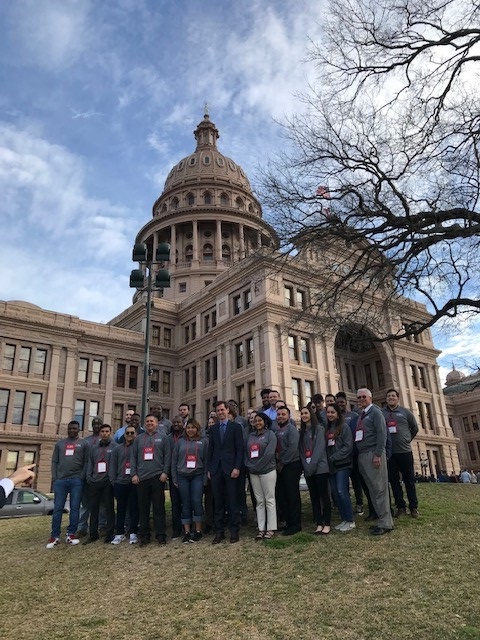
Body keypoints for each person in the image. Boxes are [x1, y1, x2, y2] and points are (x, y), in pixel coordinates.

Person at [355, 388, 393, 536]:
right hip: (362, 454)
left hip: (373, 454)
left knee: (380, 489)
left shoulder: (376, 413)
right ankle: (380, 520)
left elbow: (382, 434)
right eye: (359, 397)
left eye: (364, 397)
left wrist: (378, 454)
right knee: (372, 489)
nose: (361, 399)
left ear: (370, 398)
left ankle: (386, 523)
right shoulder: (362, 415)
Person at [46, 420, 88, 548]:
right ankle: (55, 536)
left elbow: (86, 462)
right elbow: (54, 461)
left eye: (74, 428)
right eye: (70, 428)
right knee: (58, 508)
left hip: (76, 480)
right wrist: (55, 477)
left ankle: (71, 535)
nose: (72, 430)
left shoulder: (83, 443)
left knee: (75, 508)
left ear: (78, 429)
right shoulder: (60, 444)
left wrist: (81, 476)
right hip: (61, 481)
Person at [131, 414, 171, 546]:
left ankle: (161, 535)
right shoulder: (138, 439)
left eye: (151, 421)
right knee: (143, 509)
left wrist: (165, 472)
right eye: (147, 421)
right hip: (141, 478)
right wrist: (134, 474)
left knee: (159, 508)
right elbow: (133, 458)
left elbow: (167, 457)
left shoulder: (163, 438)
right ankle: (145, 536)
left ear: (157, 423)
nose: (149, 423)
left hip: (157, 477)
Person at [208, 400, 244, 544]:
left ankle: (234, 532)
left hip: (231, 469)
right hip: (216, 469)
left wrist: (237, 467)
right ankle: (219, 532)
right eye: (218, 411)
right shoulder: (214, 429)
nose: (220, 412)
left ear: (228, 410)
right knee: (218, 501)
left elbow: (239, 449)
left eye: (222, 410)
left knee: (232, 501)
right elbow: (211, 450)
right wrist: (210, 469)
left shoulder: (236, 427)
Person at [382, 389, 420, 518]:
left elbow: (414, 428)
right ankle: (401, 507)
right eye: (388, 396)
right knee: (394, 481)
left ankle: (413, 507)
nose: (391, 398)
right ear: (386, 398)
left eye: (393, 396)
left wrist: (407, 439)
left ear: (398, 398)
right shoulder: (382, 413)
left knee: (409, 480)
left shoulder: (405, 412)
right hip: (390, 453)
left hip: (405, 451)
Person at [171, 418, 208, 543]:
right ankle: (187, 531)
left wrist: (204, 479)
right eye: (188, 428)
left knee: (197, 501)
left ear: (197, 428)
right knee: (185, 503)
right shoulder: (179, 442)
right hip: (182, 476)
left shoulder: (203, 441)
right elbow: (174, 461)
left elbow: (206, 461)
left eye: (193, 427)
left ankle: (198, 530)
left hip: (197, 475)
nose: (190, 430)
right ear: (185, 429)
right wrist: (175, 478)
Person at [298, 406, 331, 535]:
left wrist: (311, 466)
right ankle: (318, 523)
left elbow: (319, 449)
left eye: (306, 413)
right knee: (314, 498)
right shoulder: (301, 432)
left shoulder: (319, 429)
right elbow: (301, 451)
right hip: (308, 470)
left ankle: (327, 523)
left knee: (324, 496)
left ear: (311, 414)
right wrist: (306, 467)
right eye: (302, 414)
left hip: (320, 468)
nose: (304, 415)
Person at [245, 412, 278, 540]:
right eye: (255, 421)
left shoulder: (270, 435)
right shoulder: (250, 436)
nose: (257, 423)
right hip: (253, 472)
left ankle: (270, 528)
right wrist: (249, 466)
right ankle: (261, 528)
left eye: (260, 421)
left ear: (265, 422)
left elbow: (269, 454)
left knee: (269, 499)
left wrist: (257, 466)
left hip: (267, 471)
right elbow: (246, 453)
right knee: (259, 501)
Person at [83, 424, 117, 544]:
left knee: (109, 508)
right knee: (94, 509)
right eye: (102, 431)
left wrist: (112, 479)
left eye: (107, 431)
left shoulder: (115, 446)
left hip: (108, 482)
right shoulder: (93, 448)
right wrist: (89, 477)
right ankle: (93, 534)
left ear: (110, 432)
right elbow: (90, 463)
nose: (104, 433)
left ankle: (109, 533)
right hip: (95, 482)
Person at [325, 402, 355, 532]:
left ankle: (350, 520)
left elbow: (348, 447)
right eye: (328, 412)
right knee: (336, 494)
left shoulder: (344, 427)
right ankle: (344, 519)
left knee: (342, 491)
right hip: (331, 466)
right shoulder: (327, 429)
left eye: (332, 412)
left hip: (343, 464)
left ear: (337, 414)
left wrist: (333, 457)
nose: (330, 415)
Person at [109, 424, 139, 545]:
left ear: (136, 434)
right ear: (124, 435)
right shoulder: (117, 448)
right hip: (120, 482)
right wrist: (114, 481)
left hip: (133, 482)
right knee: (120, 509)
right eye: (128, 433)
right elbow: (113, 466)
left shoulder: (138, 448)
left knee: (133, 509)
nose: (130, 435)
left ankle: (133, 532)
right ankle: (119, 533)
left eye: (132, 433)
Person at [275, 405, 302, 535]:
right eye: (278, 414)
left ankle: (296, 524)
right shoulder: (277, 430)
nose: (280, 416)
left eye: (283, 414)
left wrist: (282, 462)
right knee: (283, 496)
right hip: (281, 467)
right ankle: (288, 522)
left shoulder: (291, 429)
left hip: (291, 465)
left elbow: (292, 448)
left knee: (292, 495)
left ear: (288, 416)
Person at [168, 415, 187, 539]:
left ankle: (187, 526)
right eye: (174, 422)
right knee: (175, 503)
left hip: (186, 473)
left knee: (186, 501)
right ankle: (176, 528)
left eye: (178, 422)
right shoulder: (167, 438)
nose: (176, 424)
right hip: (172, 472)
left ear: (183, 424)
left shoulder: (188, 436)